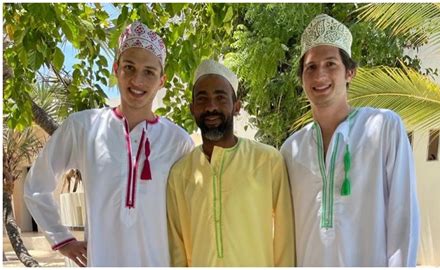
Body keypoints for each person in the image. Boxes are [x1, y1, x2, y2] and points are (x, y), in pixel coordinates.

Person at [24, 21, 194, 267]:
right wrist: (61, 238)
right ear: (116, 69)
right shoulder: (84, 127)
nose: (137, 80)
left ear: (162, 80)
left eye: (149, 72)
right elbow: (36, 184)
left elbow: (191, 213)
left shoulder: (178, 141)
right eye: (129, 67)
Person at [280, 14, 420, 267]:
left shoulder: (384, 127)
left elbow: (403, 217)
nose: (320, 74)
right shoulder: (291, 150)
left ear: (350, 72)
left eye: (331, 64)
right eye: (310, 67)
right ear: (302, 78)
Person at [166, 59, 295, 266]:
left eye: (220, 97)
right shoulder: (180, 174)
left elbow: (285, 241)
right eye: (202, 99)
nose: (211, 107)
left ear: (236, 106)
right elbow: (177, 249)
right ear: (192, 108)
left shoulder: (267, 161)